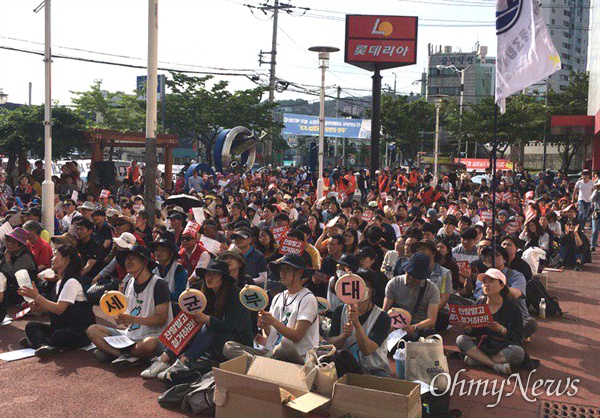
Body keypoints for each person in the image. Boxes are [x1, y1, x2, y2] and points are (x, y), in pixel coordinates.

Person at [141, 260, 253, 379]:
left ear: (223, 278)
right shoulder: (207, 292)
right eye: (207, 274)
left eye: (214, 274)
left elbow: (230, 326)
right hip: (217, 341)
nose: (209, 277)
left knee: (209, 325)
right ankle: (164, 359)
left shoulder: (235, 295)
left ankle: (185, 360)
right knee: (191, 319)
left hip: (236, 344)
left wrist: (208, 319)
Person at [86, 246, 173, 370]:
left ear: (144, 262)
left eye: (132, 258)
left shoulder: (159, 284)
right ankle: (126, 356)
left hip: (153, 336)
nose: (127, 261)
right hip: (130, 337)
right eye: (126, 259)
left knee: (149, 345)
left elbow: (161, 319)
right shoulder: (128, 283)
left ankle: (114, 353)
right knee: (92, 330)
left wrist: (133, 319)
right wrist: (120, 319)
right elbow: (127, 320)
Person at [223, 254, 319, 364]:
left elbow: (297, 336)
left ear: (300, 273)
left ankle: (258, 364)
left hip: (297, 356)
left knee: (284, 345)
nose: (282, 273)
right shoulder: (278, 297)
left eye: (287, 269)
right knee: (229, 347)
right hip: (271, 352)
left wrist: (273, 321)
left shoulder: (308, 298)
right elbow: (272, 334)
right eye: (281, 269)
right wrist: (265, 325)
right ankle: (261, 364)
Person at [18, 245, 95, 358]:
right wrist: (39, 308)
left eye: (54, 256)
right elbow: (53, 308)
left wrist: (36, 296)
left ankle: (41, 342)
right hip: (60, 326)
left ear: (66, 259)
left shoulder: (71, 282)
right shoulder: (59, 282)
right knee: (31, 326)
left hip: (78, 331)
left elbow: (59, 309)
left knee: (60, 335)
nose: (52, 259)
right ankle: (44, 345)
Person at [456, 268, 525, 376]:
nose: (486, 285)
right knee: (460, 340)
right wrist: (469, 329)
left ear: (502, 286)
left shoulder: (512, 308)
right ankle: (495, 365)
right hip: (482, 344)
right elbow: (472, 333)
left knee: (518, 352)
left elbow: (518, 336)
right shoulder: (479, 303)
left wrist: (502, 330)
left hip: (502, 346)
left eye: (491, 281)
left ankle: (477, 360)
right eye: (484, 282)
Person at [328, 269, 392, 377]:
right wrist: (343, 336)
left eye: (365, 285)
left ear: (373, 291)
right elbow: (331, 344)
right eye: (359, 282)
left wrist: (357, 324)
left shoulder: (382, 317)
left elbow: (367, 349)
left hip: (374, 368)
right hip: (346, 367)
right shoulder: (340, 311)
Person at [383, 253, 441, 341]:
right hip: (396, 322)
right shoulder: (394, 283)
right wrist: (388, 322)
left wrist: (415, 327)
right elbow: (385, 310)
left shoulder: (432, 289)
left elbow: (432, 319)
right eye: (409, 273)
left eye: (415, 276)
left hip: (419, 326)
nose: (410, 278)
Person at [0, 227, 38, 306]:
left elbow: (13, 274)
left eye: (13, 242)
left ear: (20, 244)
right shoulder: (10, 253)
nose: (9, 244)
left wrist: (8, 260)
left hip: (21, 292)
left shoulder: (26, 256)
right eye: (8, 241)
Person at [149, 238, 188, 314]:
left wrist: (158, 295)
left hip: (176, 310)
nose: (158, 253)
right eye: (157, 250)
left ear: (171, 254)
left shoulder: (178, 269)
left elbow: (180, 295)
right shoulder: (154, 270)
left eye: (163, 251)